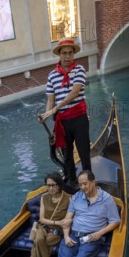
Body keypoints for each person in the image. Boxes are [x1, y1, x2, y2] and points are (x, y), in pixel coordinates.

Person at [42, 170, 120, 257]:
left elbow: (115, 221)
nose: (82, 187)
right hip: (73, 235)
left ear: (93, 182)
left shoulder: (107, 199)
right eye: (80, 184)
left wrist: (99, 233)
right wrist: (66, 236)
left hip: (92, 237)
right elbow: (67, 219)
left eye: (85, 184)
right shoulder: (77, 197)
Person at [4, 172, 71, 257]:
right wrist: (56, 222)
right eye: (48, 185)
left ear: (60, 185)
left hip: (57, 232)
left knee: (38, 245)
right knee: (39, 240)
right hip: (43, 227)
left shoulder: (68, 199)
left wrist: (59, 225)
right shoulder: (44, 197)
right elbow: (42, 219)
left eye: (53, 185)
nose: (50, 188)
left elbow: (66, 221)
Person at [38, 38, 91, 187]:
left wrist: (55, 109)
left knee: (84, 152)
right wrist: (46, 114)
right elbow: (50, 100)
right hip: (62, 122)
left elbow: (74, 93)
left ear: (73, 54)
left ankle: (88, 182)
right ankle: (71, 182)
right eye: (64, 53)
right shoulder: (52, 75)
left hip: (79, 119)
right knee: (67, 154)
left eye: (70, 53)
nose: (67, 56)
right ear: (59, 55)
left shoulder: (80, 70)